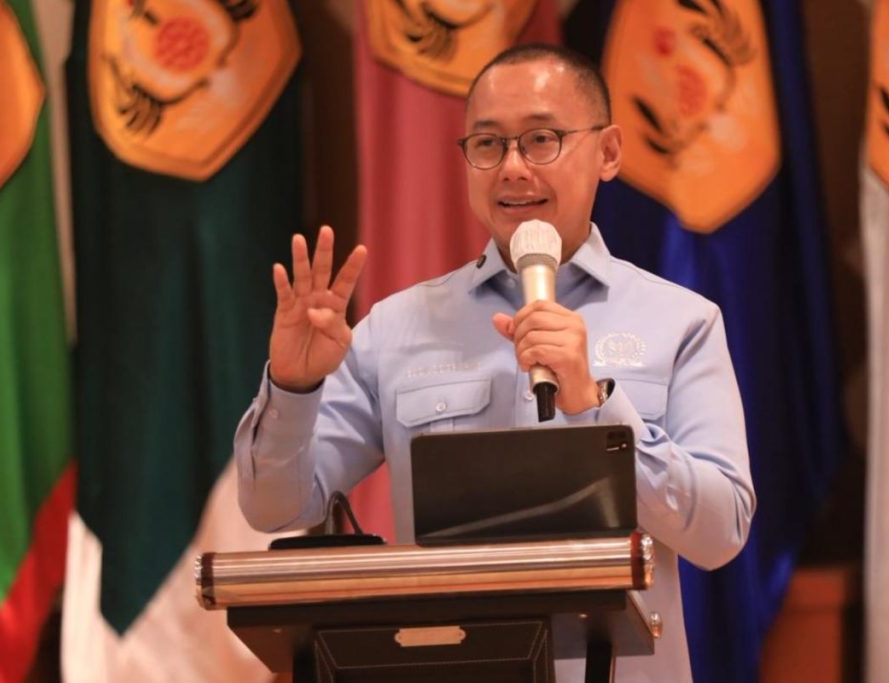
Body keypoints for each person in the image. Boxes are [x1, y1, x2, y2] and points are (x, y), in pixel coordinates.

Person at [234, 43, 755, 682]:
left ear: (609, 152)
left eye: (541, 139)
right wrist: (294, 385)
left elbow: (721, 532)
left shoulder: (682, 322)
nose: (511, 168)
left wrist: (597, 406)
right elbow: (276, 509)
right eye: (487, 144)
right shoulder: (396, 328)